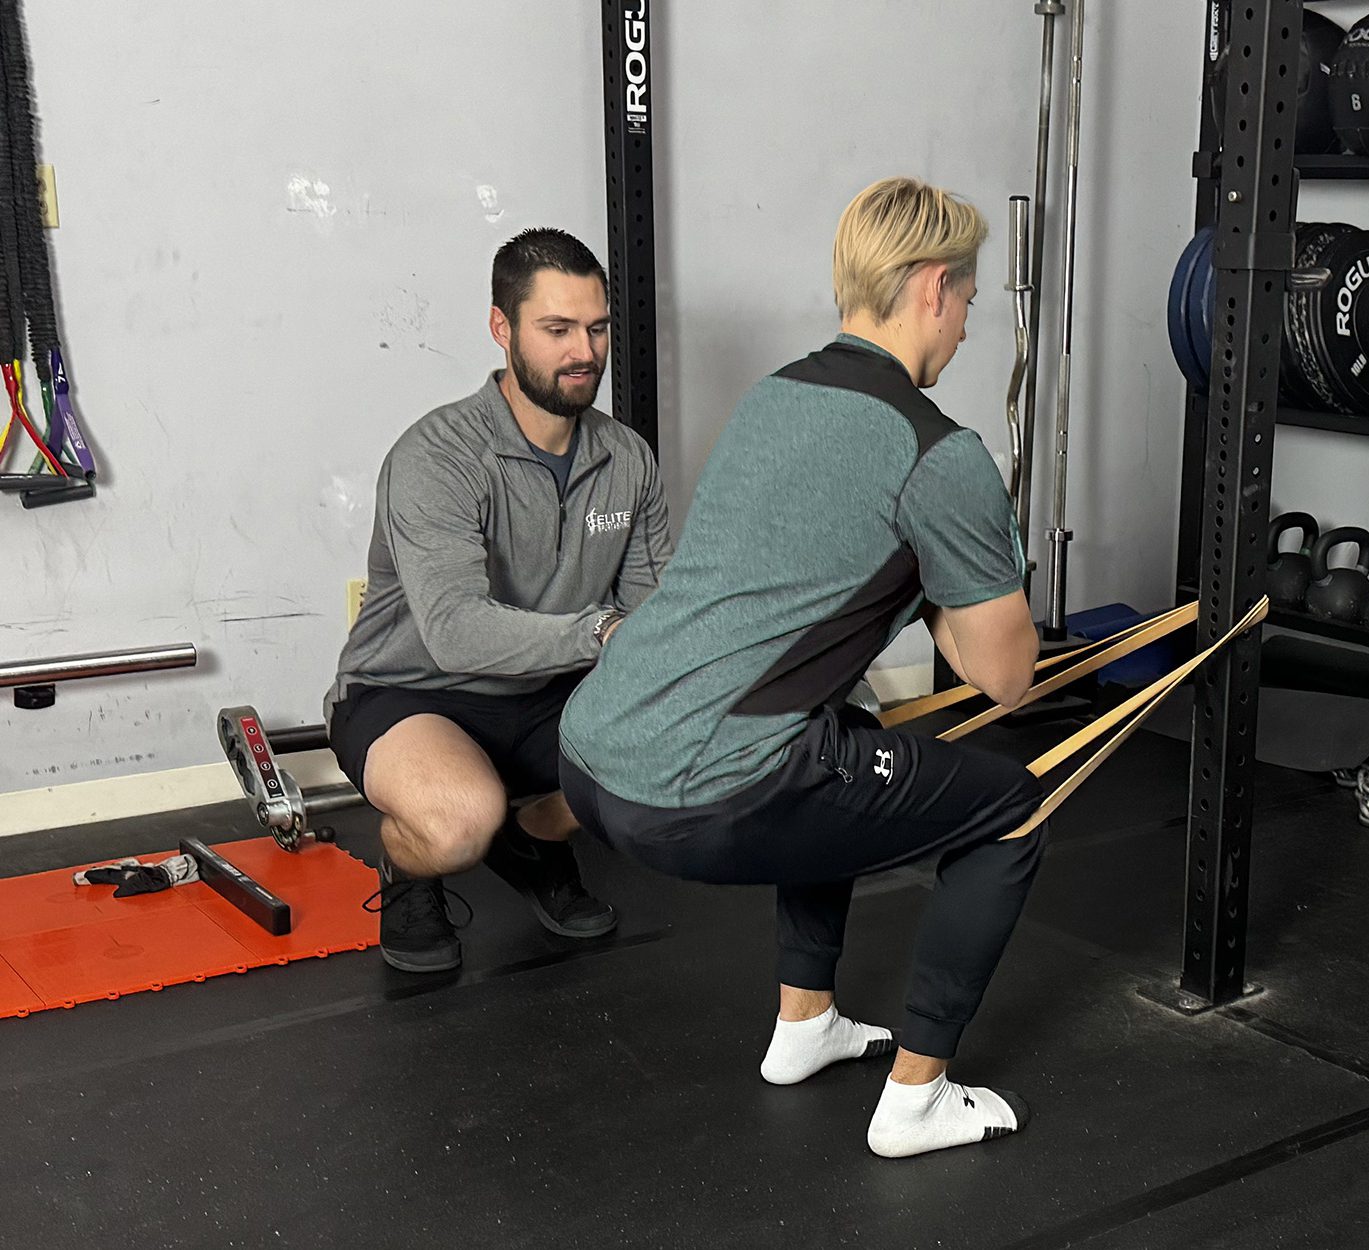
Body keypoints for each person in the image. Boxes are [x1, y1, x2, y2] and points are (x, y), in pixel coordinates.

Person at [558, 177, 1046, 1159]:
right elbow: (1005, 678)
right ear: (935, 290)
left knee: (846, 736)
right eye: (970, 307)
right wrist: (955, 579)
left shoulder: (777, 393)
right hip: (699, 790)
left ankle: (805, 1023)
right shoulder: (938, 450)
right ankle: (918, 1098)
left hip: (593, 749)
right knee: (1012, 807)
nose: (961, 334)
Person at [326, 228, 671, 973]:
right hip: (416, 692)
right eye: (557, 330)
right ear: (501, 327)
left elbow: (653, 614)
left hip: (548, 691)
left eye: (597, 328)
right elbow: (453, 632)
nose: (584, 351)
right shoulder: (438, 456)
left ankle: (535, 838)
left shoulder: (627, 458)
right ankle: (411, 863)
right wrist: (603, 630)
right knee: (457, 823)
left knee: (689, 745)